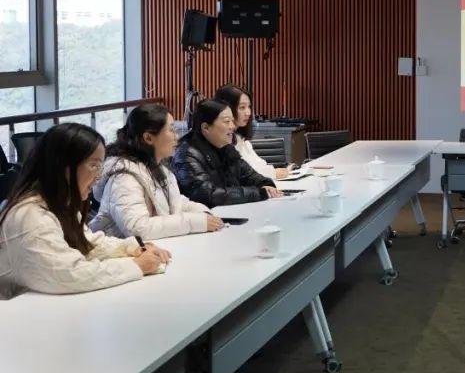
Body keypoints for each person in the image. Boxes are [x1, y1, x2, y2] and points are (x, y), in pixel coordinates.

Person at [0, 123, 170, 299]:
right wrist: (136, 265)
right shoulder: (31, 215)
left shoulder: (59, 203)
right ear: (63, 166)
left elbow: (86, 244)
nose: (98, 176)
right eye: (94, 165)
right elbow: (68, 274)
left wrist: (133, 248)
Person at [90, 104, 225, 239]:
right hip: (118, 249)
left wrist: (203, 213)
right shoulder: (123, 177)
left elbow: (175, 203)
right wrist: (195, 222)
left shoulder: (157, 167)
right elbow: (138, 228)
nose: (177, 136)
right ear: (148, 138)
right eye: (171, 130)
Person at [173, 99, 283, 207]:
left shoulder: (225, 147)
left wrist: (266, 186)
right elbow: (207, 194)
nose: (232, 126)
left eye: (232, 121)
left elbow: (250, 176)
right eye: (227, 121)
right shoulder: (187, 155)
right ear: (206, 127)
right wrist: (258, 193)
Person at [214, 84, 293, 180]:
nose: (248, 112)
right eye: (242, 107)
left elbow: (259, 164)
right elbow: (243, 173)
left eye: (249, 107)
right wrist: (273, 173)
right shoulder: (221, 142)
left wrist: (274, 171)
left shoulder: (240, 138)